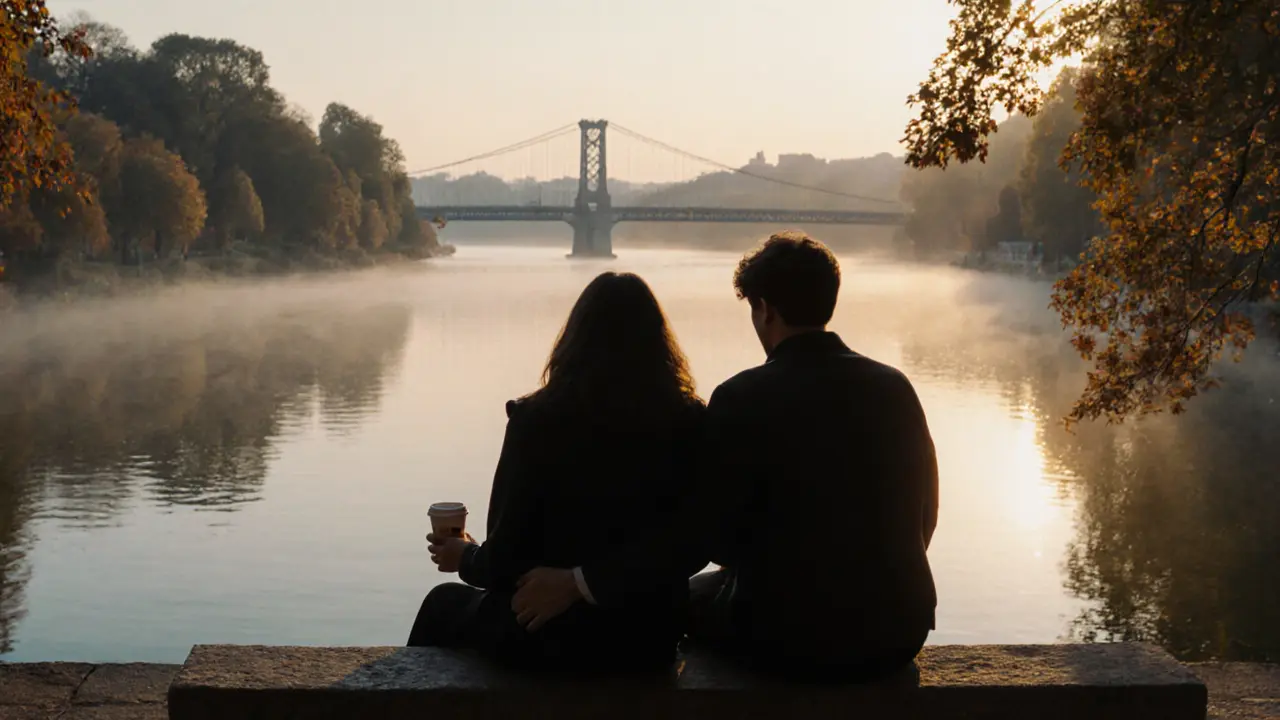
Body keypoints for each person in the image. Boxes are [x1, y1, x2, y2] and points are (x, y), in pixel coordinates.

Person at [407, 271, 705, 672]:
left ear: (574, 340)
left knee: (442, 605)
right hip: (648, 640)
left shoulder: (538, 421)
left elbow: (504, 562)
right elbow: (692, 545)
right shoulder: (690, 421)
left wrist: (465, 557)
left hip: (551, 633)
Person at [689, 231, 939, 681]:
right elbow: (926, 517)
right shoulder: (895, 386)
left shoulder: (739, 396)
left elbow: (718, 542)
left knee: (679, 601)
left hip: (786, 636)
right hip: (899, 629)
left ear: (765, 308)